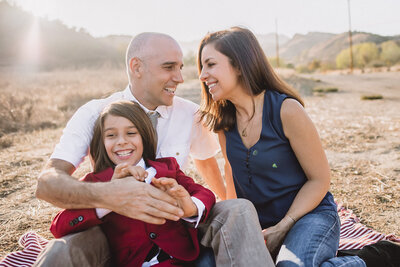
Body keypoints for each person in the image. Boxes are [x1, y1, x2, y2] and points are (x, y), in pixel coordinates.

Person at [35, 32, 274, 266]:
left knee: (238, 210)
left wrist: (237, 225)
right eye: (169, 67)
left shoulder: (189, 114)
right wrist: (112, 196)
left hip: (177, 226)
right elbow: (48, 183)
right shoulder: (94, 113)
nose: (180, 78)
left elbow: (206, 162)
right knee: (59, 251)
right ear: (137, 67)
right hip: (115, 234)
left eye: (180, 67)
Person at [197, 27, 370, 266]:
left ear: (238, 65)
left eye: (210, 64)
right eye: (202, 67)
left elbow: (319, 180)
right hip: (262, 224)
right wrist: (241, 229)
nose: (202, 75)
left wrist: (283, 225)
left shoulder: (286, 110)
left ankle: (364, 261)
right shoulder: (224, 124)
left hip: (310, 217)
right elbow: (232, 177)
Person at [50, 100, 216, 266]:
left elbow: (205, 194)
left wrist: (190, 208)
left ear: (143, 136)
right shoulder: (96, 182)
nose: (121, 141)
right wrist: (108, 199)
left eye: (131, 133)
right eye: (111, 135)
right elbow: (59, 226)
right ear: (102, 142)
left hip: (183, 261)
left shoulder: (167, 167)